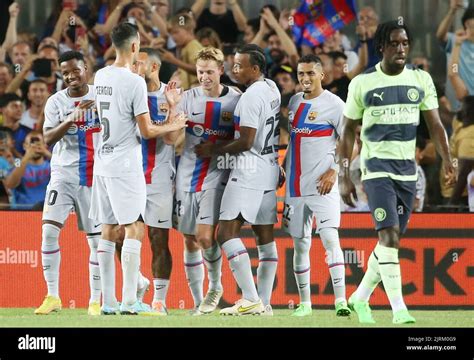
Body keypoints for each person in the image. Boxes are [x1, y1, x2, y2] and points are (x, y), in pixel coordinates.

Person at [339, 20, 456, 324]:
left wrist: (448, 159)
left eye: (405, 43)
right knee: (388, 236)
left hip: (407, 171)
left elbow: (435, 125)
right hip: (376, 169)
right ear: (382, 47)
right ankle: (399, 310)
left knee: (389, 242)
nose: (401, 48)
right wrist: (343, 175)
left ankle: (360, 297)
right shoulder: (362, 83)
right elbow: (347, 132)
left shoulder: (421, 80)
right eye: (395, 43)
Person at [89, 22, 186, 315]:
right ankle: (130, 300)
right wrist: (174, 124)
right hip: (124, 163)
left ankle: (107, 302)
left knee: (107, 229)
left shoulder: (100, 74)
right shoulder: (134, 83)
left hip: (102, 162)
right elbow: (145, 131)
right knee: (134, 228)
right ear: (134, 47)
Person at [195, 44, 281, 316]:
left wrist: (214, 150)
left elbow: (245, 141)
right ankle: (264, 304)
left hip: (248, 169)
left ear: (255, 69)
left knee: (225, 233)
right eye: (233, 64)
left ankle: (250, 297)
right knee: (264, 238)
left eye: (239, 65)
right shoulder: (271, 88)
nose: (234, 69)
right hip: (269, 167)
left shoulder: (250, 98)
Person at [33, 51, 102, 316]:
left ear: (86, 68)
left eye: (76, 70)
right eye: (66, 73)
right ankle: (52, 296)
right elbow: (47, 138)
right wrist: (71, 119)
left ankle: (95, 300)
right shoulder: (55, 102)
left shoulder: (101, 95)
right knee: (49, 232)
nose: (71, 76)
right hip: (62, 175)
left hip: (93, 177)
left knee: (96, 242)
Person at [282, 54, 351, 317]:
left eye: (310, 73)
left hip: (323, 185)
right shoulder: (295, 101)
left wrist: (335, 171)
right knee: (300, 245)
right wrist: (283, 165)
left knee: (331, 238)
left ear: (322, 75)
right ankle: (305, 304)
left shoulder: (335, 104)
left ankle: (341, 301)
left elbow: (349, 142)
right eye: (301, 74)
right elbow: (294, 142)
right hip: (295, 186)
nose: (305, 78)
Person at [174, 47, 240, 315]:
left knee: (204, 236)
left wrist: (216, 148)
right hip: (186, 173)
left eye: (210, 72)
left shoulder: (236, 99)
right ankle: (197, 300)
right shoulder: (187, 98)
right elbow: (171, 138)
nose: (204, 77)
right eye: (200, 72)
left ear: (221, 71)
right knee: (189, 238)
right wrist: (170, 111)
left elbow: (244, 138)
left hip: (217, 173)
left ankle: (215, 286)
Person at [135, 48, 182, 315]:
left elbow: (169, 140)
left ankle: (159, 301)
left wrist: (173, 107)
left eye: (138, 63)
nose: (133, 66)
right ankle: (137, 282)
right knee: (120, 234)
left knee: (157, 238)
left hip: (160, 178)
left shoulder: (172, 94)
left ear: (153, 67)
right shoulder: (131, 93)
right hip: (129, 175)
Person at [4, 131, 51, 209]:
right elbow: (10, 184)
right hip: (23, 213)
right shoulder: (17, 162)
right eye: (31, 144)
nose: (35, 147)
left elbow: (66, 173)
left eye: (39, 144)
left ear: (45, 146)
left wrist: (46, 153)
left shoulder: (51, 164)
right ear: (24, 146)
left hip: (47, 212)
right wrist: (26, 157)